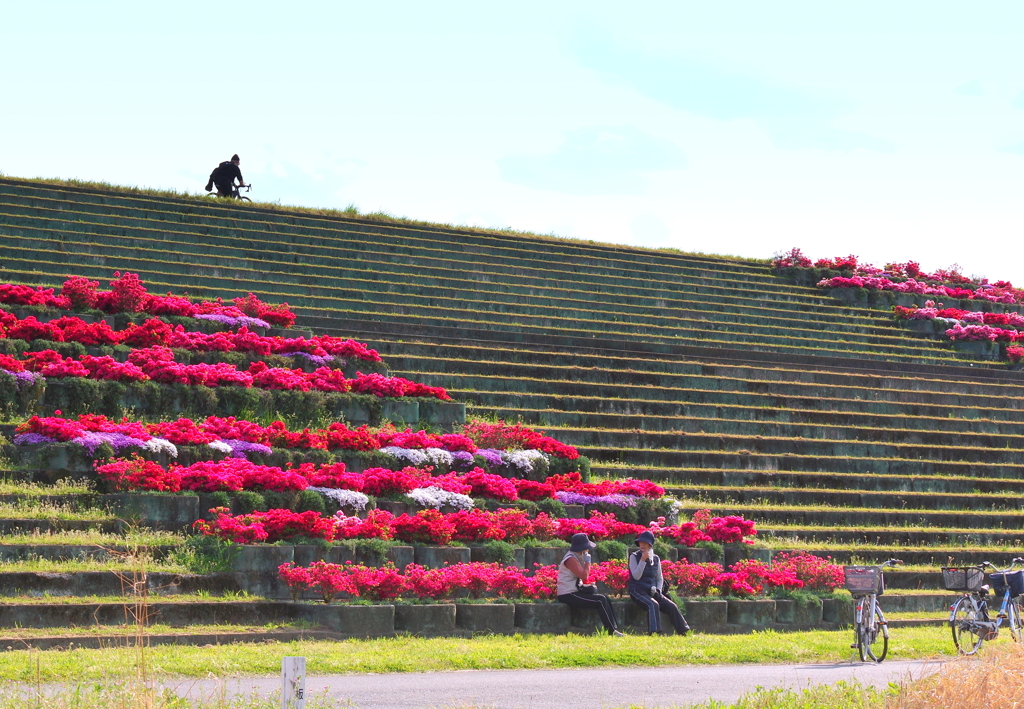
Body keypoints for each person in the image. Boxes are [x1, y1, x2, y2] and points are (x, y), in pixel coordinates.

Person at [556, 533, 623, 636]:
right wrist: (588, 562)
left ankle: (614, 628)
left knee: (605, 598)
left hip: (575, 591)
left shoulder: (577, 556)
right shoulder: (571, 559)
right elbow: (584, 576)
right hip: (568, 594)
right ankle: (611, 631)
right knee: (600, 600)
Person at [628, 530, 690, 635]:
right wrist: (642, 560)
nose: (642, 544)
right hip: (637, 590)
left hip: (652, 591)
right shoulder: (634, 557)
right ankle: (654, 632)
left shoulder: (656, 558)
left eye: (645, 542)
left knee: (671, 605)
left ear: (650, 545)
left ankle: (683, 630)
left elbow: (659, 578)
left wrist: (658, 590)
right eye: (640, 542)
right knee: (653, 604)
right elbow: (636, 576)